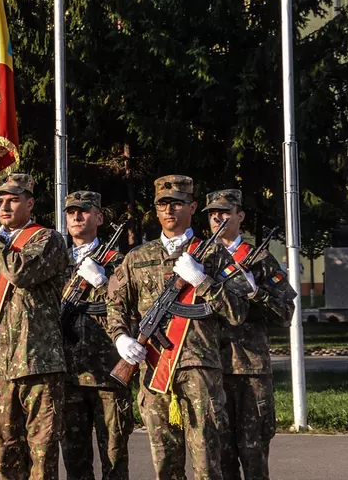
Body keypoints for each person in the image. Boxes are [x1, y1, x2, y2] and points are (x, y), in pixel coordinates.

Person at [105, 175, 248, 480]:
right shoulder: (137, 257)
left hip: (200, 371)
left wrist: (203, 281)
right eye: (162, 204)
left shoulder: (213, 254)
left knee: (207, 464)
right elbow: (114, 304)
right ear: (155, 210)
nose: (169, 210)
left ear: (192, 207)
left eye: (177, 203)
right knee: (166, 465)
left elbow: (238, 312)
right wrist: (120, 338)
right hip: (155, 372)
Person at [0, 173, 69, 480]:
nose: (5, 207)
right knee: (7, 455)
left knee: (42, 455)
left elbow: (19, 273)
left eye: (13, 200)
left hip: (40, 365)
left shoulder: (48, 240)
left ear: (30, 203)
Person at [203, 190, 297, 480]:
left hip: (250, 367)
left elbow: (285, 313)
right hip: (211, 366)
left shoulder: (260, 258)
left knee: (254, 453)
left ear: (240, 216)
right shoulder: (200, 258)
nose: (217, 217)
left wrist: (257, 293)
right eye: (212, 213)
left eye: (225, 212)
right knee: (220, 453)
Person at [59, 191, 131, 480]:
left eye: (84, 211)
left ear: (99, 217)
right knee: (75, 461)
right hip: (68, 372)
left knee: (114, 459)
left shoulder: (119, 261)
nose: (77, 216)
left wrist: (102, 283)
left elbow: (127, 308)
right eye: (71, 212)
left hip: (110, 371)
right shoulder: (55, 260)